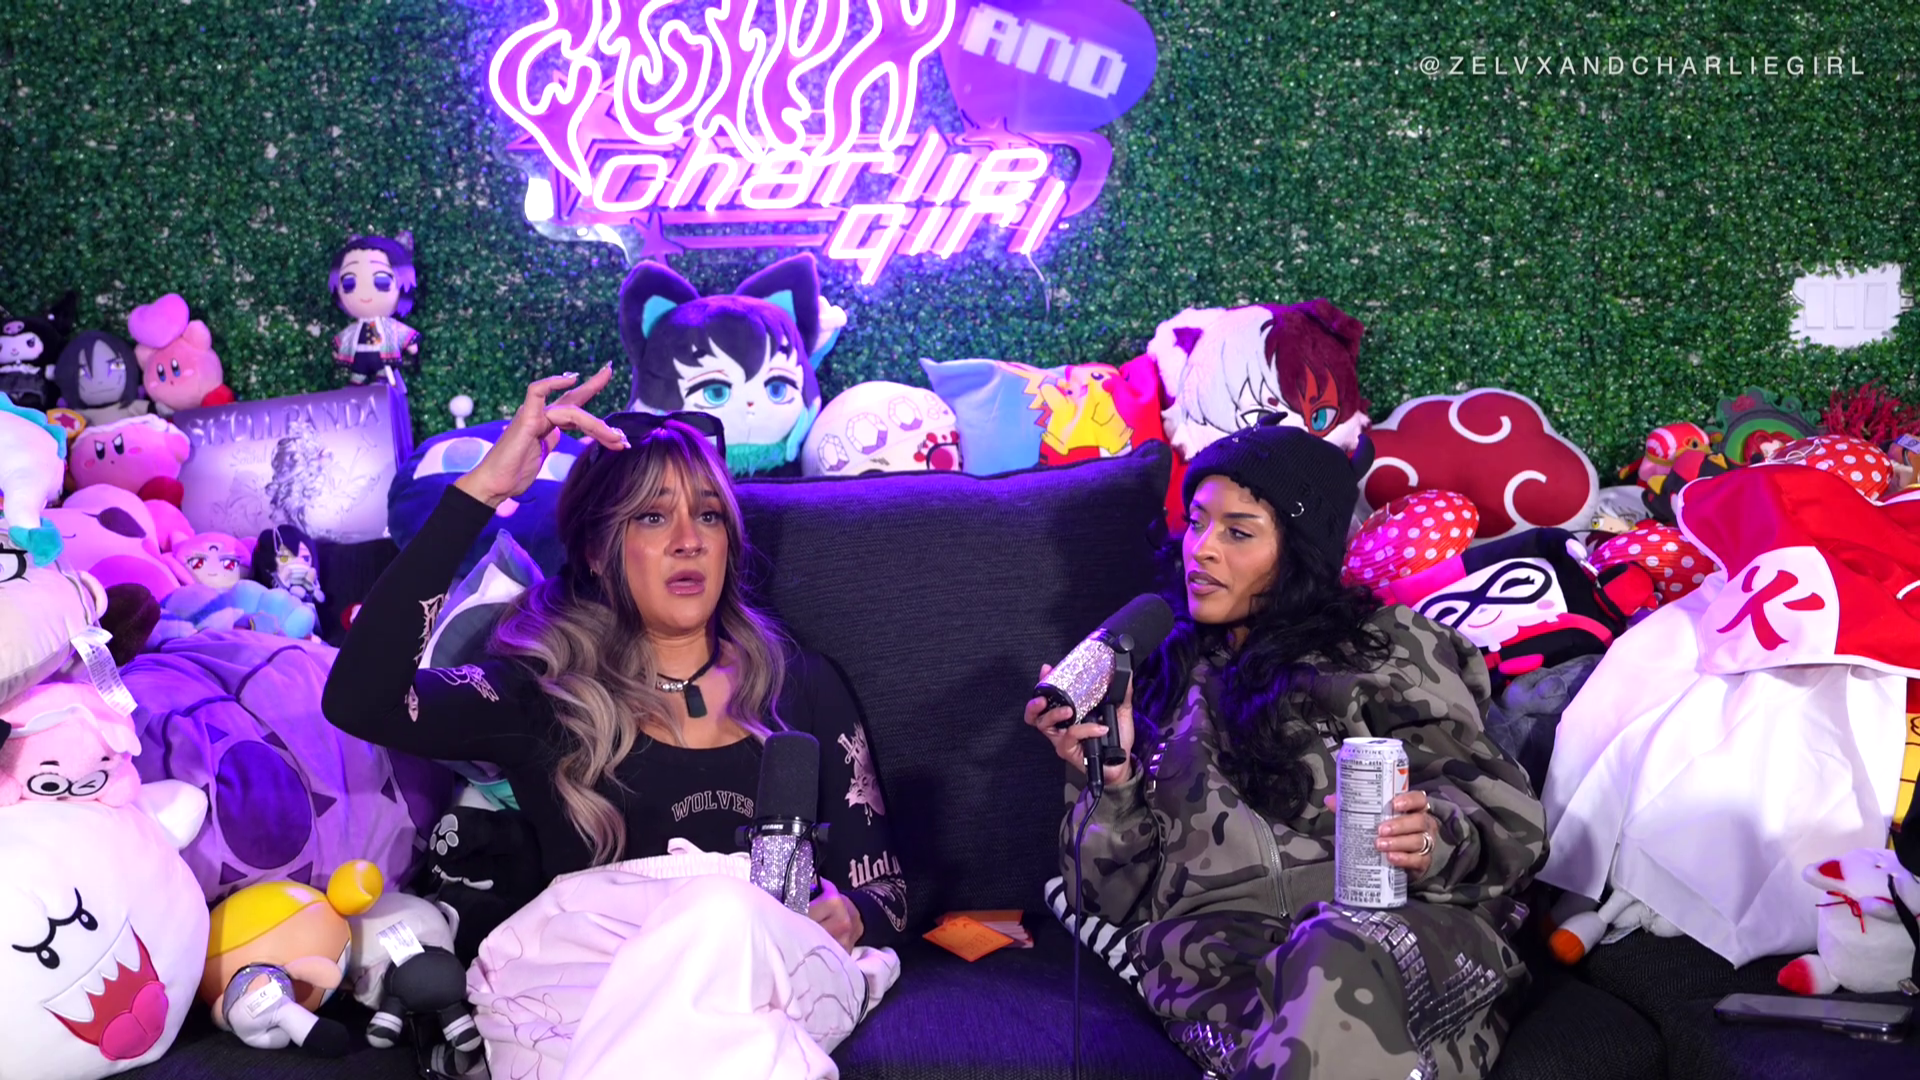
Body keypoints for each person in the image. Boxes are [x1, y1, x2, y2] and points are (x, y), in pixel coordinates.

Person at [324, 366, 906, 1079]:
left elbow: (888, 889)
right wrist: (482, 492)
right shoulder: (542, 695)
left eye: (709, 516)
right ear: (598, 551)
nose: (689, 540)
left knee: (722, 910)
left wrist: (856, 914)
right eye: (652, 517)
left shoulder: (801, 684)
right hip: (584, 996)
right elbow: (359, 702)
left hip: (773, 976)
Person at [1025, 416, 1547, 1080]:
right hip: (1232, 980)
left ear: (1300, 551)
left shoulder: (1384, 648)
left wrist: (1429, 839)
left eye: (1238, 532)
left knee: (1330, 957)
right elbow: (1108, 900)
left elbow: (1507, 824)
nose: (1201, 550)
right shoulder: (1151, 679)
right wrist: (1113, 780)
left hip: (1399, 941)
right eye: (1197, 523)